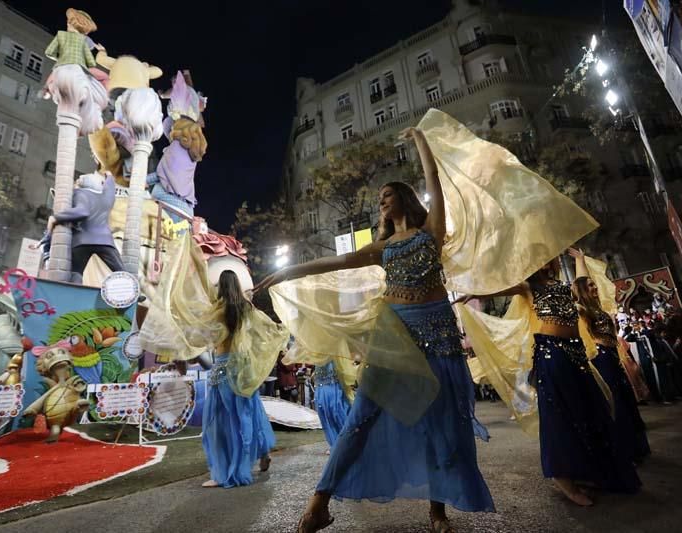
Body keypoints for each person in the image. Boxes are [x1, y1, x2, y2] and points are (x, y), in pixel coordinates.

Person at [257, 128, 493, 533]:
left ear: (403, 197)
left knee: (439, 424)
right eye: (379, 198)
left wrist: (420, 139)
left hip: (439, 336)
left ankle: (437, 512)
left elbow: (434, 179)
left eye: (387, 194)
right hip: (396, 340)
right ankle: (319, 503)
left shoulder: (430, 233)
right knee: (361, 417)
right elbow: (330, 264)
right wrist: (283, 272)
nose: (380, 201)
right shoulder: (380, 248)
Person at [463, 249, 641, 506]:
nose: (548, 259)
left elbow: (581, 283)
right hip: (551, 352)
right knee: (559, 414)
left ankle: (586, 469)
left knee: (587, 410)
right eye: (541, 255)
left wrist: (579, 260)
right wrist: (474, 292)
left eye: (550, 255)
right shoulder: (529, 286)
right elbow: (499, 288)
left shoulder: (565, 287)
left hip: (575, 352)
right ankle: (562, 477)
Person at [201, 270, 275, 488]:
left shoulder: (219, 310)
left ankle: (227, 472)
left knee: (222, 421)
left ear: (221, 287)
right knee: (248, 413)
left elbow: (206, 335)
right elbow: (263, 333)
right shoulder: (247, 308)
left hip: (223, 368)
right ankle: (263, 451)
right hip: (243, 369)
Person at [571, 270, 650, 463]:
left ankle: (637, 447)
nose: (595, 287)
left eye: (594, 284)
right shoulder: (581, 309)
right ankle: (625, 451)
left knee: (626, 396)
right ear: (582, 290)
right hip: (601, 358)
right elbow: (584, 335)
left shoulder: (599, 309)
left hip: (614, 356)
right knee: (616, 401)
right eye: (590, 286)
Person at [47, 172, 125, 280]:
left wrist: (56, 218)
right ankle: (134, 293)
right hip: (104, 241)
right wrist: (109, 177)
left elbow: (82, 211)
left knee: (77, 272)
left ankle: (75, 293)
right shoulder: (106, 197)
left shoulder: (79, 193)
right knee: (120, 270)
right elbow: (110, 188)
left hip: (82, 241)